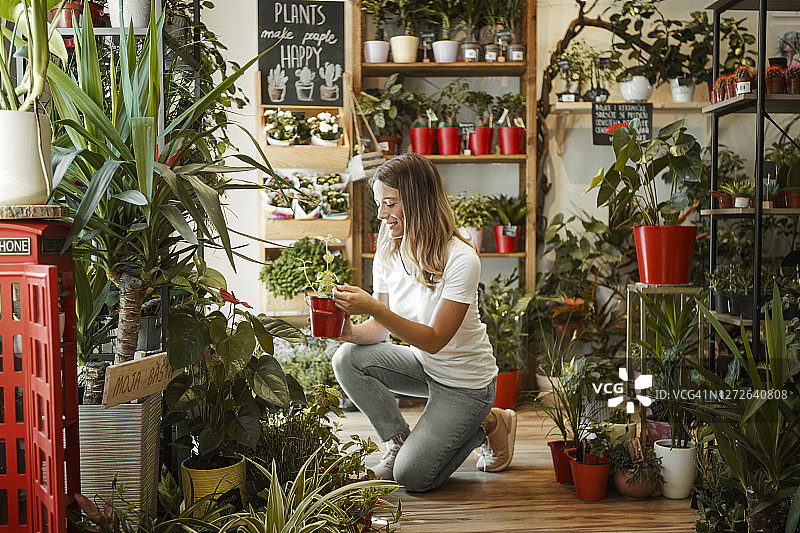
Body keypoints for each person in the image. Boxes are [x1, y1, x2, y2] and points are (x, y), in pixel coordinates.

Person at [330, 153, 517, 493]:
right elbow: (379, 329)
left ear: (418, 202)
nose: (381, 214)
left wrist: (373, 307)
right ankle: (398, 442)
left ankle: (488, 421)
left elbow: (435, 339)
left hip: (466, 384)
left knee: (413, 477)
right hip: (424, 366)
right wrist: (349, 332)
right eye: (379, 204)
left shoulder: (460, 257)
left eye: (390, 204)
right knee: (347, 358)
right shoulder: (388, 247)